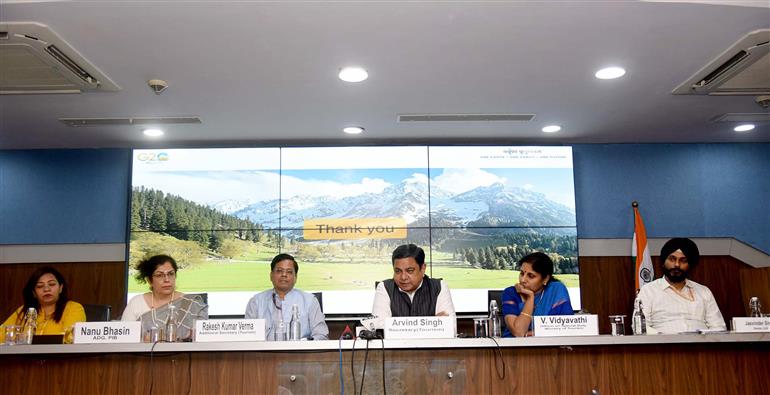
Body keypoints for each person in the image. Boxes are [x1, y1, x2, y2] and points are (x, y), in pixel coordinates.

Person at [638, 238, 726, 334]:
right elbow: (641, 328)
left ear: (690, 265)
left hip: (700, 345)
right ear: (663, 262)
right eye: (672, 259)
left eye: (683, 261)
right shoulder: (649, 290)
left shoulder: (703, 291)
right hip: (663, 346)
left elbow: (718, 327)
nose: (677, 265)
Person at [121, 254, 208, 341]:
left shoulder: (191, 303)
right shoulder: (137, 302)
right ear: (149, 280)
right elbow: (123, 336)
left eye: (171, 274)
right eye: (159, 275)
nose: (167, 279)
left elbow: (203, 337)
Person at [244, 253, 329, 340]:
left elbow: (321, 335)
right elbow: (247, 337)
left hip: (300, 352)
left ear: (295, 277)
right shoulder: (256, 302)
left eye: (289, 272)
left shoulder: (310, 301)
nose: (284, 275)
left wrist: (304, 343)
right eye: (279, 271)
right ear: (271, 275)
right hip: (264, 352)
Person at [371, 244, 456, 328]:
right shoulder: (384, 288)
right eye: (398, 271)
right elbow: (379, 328)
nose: (403, 277)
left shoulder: (439, 287)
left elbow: (450, 328)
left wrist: (393, 326)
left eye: (410, 271)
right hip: (396, 343)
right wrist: (433, 323)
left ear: (423, 269)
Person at [502, 252, 573, 337]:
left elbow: (567, 328)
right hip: (512, 347)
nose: (523, 280)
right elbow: (519, 332)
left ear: (545, 279)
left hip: (549, 346)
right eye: (521, 273)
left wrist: (533, 334)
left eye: (531, 276)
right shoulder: (511, 293)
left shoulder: (556, 290)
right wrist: (530, 298)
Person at [2, 266, 86, 335]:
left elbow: (70, 338)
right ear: (34, 293)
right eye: (39, 286)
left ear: (60, 288)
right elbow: (2, 334)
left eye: (51, 284)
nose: (46, 289)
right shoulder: (25, 311)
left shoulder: (73, 308)